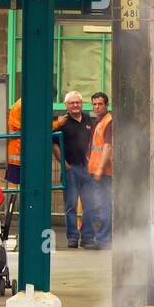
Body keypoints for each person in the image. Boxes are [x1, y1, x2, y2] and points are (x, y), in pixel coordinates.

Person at [53, 91, 95, 248]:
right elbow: (54, 144)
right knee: (70, 205)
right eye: (72, 103)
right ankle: (72, 238)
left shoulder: (89, 120)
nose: (75, 105)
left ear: (81, 103)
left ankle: (88, 238)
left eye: (78, 102)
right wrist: (64, 164)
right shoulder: (62, 123)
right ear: (66, 105)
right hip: (71, 170)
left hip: (88, 169)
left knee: (90, 204)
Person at [84, 91, 113, 249]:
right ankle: (101, 237)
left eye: (100, 104)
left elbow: (108, 146)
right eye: (94, 104)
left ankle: (103, 239)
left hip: (103, 172)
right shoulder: (99, 121)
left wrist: (100, 168)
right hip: (96, 170)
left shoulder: (108, 121)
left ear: (106, 105)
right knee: (99, 204)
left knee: (104, 204)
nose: (96, 107)